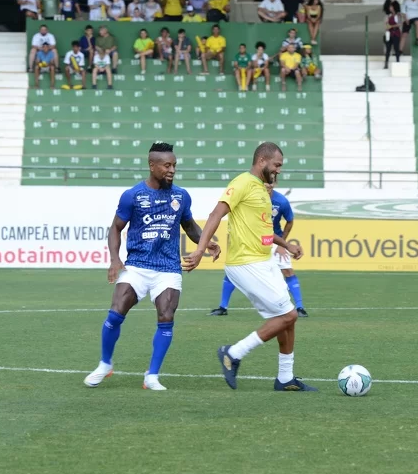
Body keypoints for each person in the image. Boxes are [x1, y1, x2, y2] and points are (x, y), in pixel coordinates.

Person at [83, 142, 220, 391]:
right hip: (137, 265)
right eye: (167, 165)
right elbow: (115, 228)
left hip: (168, 268)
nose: (172, 170)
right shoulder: (132, 195)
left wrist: (205, 242)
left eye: (174, 165)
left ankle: (152, 375)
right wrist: (115, 259)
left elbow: (189, 226)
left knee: (166, 316)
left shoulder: (181, 196)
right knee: (115, 313)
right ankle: (105, 364)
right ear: (152, 165)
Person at [186, 142, 315, 392]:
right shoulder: (243, 183)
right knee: (288, 315)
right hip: (245, 263)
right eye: (276, 165)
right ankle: (232, 353)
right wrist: (201, 249)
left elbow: (265, 231)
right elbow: (215, 215)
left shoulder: (262, 190)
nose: (278, 171)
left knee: (287, 319)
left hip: (264, 260)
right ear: (262, 161)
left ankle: (285, 378)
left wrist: (286, 245)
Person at [211, 180, 308, 318]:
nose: (268, 185)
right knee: (235, 271)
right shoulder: (251, 198)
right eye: (265, 183)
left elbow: (290, 221)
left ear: (275, 184)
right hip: (253, 241)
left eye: (271, 183)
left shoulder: (281, 201)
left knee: (287, 270)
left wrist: (282, 244)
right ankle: (223, 306)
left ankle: (300, 307)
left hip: (275, 241)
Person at [384, 0, 402, 69]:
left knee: (396, 48)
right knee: (388, 49)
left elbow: (399, 24)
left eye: (391, 6)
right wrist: (386, 24)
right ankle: (386, 64)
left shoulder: (398, 15)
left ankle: (398, 62)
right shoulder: (389, 15)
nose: (390, 7)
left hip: (396, 33)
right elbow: (386, 24)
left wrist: (392, 26)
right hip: (389, 33)